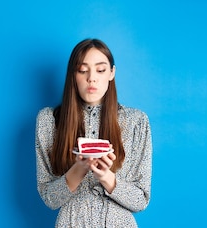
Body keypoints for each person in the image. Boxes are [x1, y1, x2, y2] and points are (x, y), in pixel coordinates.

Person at [35, 38, 152, 227]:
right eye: (82, 70)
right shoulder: (48, 120)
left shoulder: (136, 121)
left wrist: (106, 177)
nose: (92, 78)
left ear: (112, 73)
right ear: (73, 74)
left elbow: (141, 200)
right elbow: (50, 199)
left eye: (100, 70)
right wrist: (79, 169)